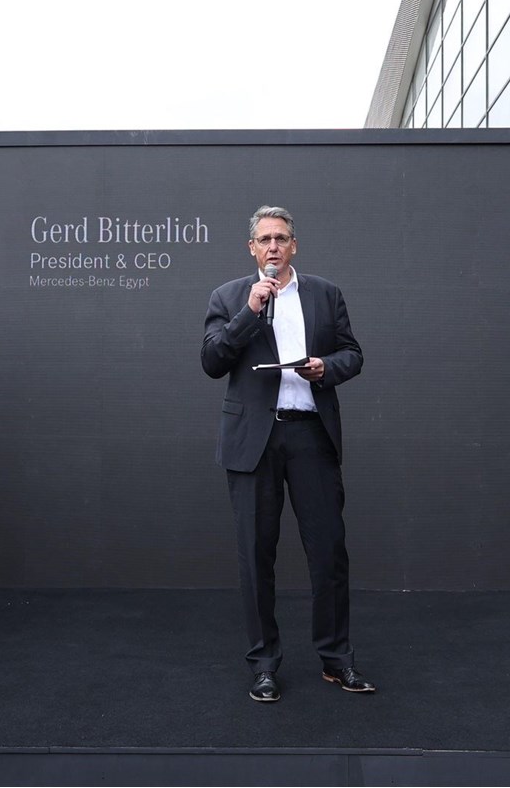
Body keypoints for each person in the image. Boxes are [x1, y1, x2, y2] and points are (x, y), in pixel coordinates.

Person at [201, 205, 375, 703]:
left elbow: (353, 354)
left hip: (310, 436)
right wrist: (249, 312)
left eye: (281, 238)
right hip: (253, 441)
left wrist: (326, 368)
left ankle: (337, 660)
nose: (273, 246)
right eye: (264, 239)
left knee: (329, 552)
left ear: (294, 245)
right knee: (256, 555)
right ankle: (263, 665)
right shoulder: (229, 296)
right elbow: (212, 360)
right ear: (252, 249)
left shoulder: (325, 293)